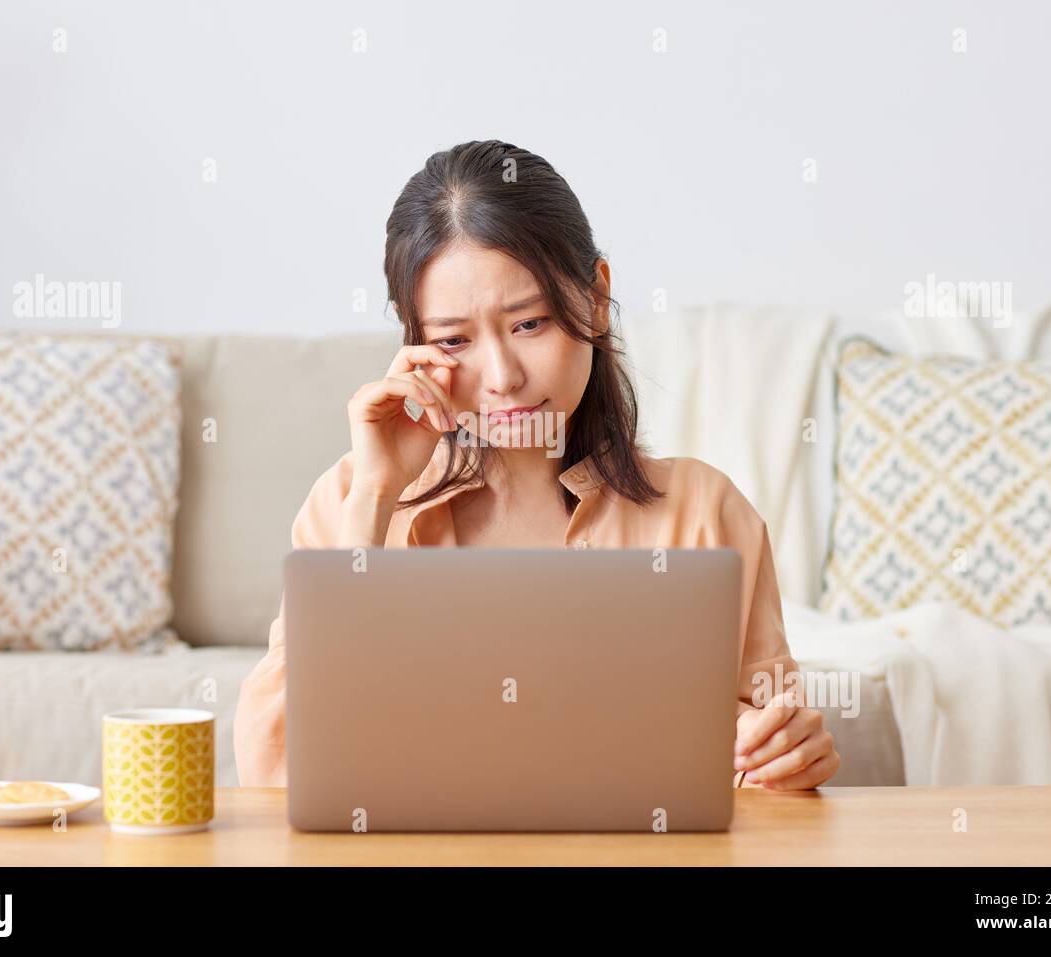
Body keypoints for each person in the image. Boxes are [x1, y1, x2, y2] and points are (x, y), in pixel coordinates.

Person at [235, 140, 839, 792]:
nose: (502, 377)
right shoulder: (354, 500)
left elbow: (768, 753)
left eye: (529, 323)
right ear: (413, 345)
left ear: (597, 297)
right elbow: (274, 774)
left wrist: (787, 757)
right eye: (453, 341)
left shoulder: (703, 509)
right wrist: (377, 497)